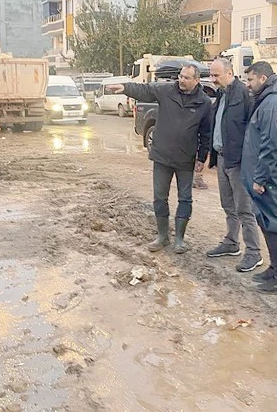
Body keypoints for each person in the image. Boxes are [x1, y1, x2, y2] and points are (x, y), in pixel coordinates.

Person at [107, 65, 211, 254]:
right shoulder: (166, 91)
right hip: (162, 156)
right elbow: (146, 90)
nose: (182, 80)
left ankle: (179, 239)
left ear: (196, 80)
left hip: (185, 159)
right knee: (159, 198)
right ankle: (162, 237)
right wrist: (126, 87)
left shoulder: (203, 103)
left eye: (187, 78)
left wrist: (202, 158)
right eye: (180, 76)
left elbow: (206, 133)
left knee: (185, 199)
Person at [241, 61, 277, 294]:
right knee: (265, 220)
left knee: (273, 224)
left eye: (251, 80)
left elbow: (272, 144)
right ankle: (274, 268)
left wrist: (260, 178)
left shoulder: (273, 104)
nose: (248, 84)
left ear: (263, 79)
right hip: (265, 176)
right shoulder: (266, 99)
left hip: (272, 178)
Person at [206, 57, 262, 272]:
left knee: (244, 209)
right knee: (228, 205)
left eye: (216, 75)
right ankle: (231, 242)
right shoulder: (221, 95)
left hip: (239, 162)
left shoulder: (244, 95)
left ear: (229, 74)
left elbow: (252, 131)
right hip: (222, 158)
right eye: (211, 75)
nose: (213, 79)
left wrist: (250, 162)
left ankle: (254, 253)